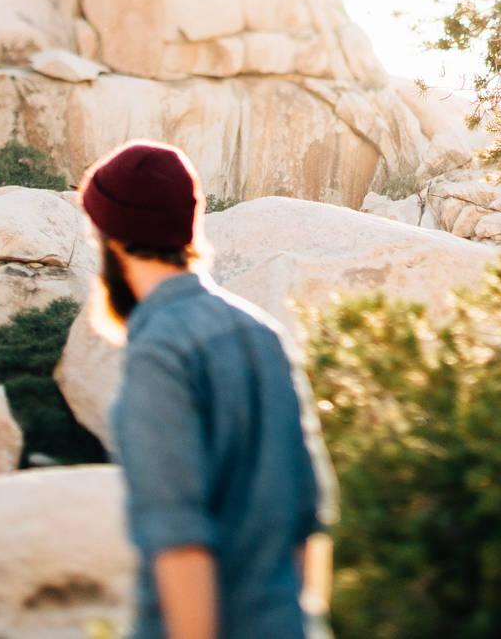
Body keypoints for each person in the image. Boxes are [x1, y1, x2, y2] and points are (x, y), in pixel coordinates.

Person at [80, 139, 336, 639]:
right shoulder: (263, 335)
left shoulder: (159, 353)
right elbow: (307, 525)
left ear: (113, 240)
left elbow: (181, 542)